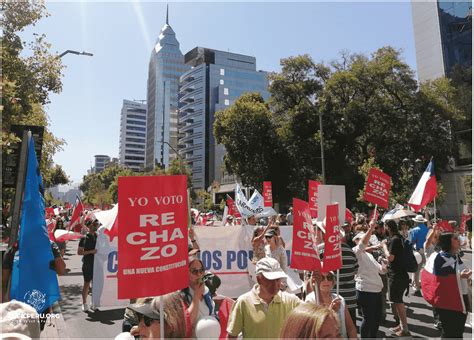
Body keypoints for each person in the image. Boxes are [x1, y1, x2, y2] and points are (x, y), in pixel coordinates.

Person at [226, 257, 301, 338]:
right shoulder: (243, 302)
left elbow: (313, 315)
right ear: (259, 279)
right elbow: (232, 336)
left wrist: (316, 284)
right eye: (271, 280)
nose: (276, 284)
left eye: (278, 279)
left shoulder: (291, 301)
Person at [422, 232, 472, 339]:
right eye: (455, 238)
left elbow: (461, 270)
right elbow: (440, 279)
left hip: (460, 299)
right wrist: (459, 275)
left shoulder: (455, 256)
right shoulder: (439, 257)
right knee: (449, 332)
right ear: (448, 242)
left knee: (458, 332)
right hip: (448, 302)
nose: (458, 240)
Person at [352, 220, 387, 339]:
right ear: (356, 241)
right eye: (361, 239)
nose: (366, 241)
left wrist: (384, 265)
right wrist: (371, 228)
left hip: (376, 290)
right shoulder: (356, 252)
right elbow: (362, 244)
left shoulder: (370, 255)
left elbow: (381, 270)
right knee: (368, 318)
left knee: (376, 318)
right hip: (366, 290)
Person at [305, 271, 357, 339]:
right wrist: (331, 311)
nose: (326, 280)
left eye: (329, 277)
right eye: (322, 278)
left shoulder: (339, 299)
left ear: (333, 281)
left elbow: (351, 328)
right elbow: (312, 329)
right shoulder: (310, 300)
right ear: (315, 281)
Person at [382, 219, 411, 337]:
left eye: (385, 226)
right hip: (400, 274)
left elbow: (391, 258)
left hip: (397, 276)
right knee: (397, 301)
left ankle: (405, 329)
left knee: (398, 302)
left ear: (388, 227)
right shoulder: (399, 238)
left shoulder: (395, 240)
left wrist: (384, 246)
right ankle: (401, 325)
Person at [180, 256, 220, 338]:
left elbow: (212, 314)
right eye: (194, 271)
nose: (199, 274)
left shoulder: (206, 291)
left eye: (201, 270)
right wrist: (197, 295)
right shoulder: (179, 295)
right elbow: (187, 322)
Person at [78, 218, 99, 312]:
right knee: (87, 283)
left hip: (97, 263)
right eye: (94, 224)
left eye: (97, 224)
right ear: (89, 226)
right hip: (87, 263)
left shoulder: (98, 236)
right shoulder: (84, 238)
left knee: (96, 284)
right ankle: (84, 303)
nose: (96, 226)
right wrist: (91, 251)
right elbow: (79, 252)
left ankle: (93, 303)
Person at [409, 214, 429, 296]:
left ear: (416, 222)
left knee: (416, 271)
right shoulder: (428, 230)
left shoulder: (414, 230)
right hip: (428, 251)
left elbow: (412, 242)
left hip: (418, 251)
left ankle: (416, 288)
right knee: (428, 270)